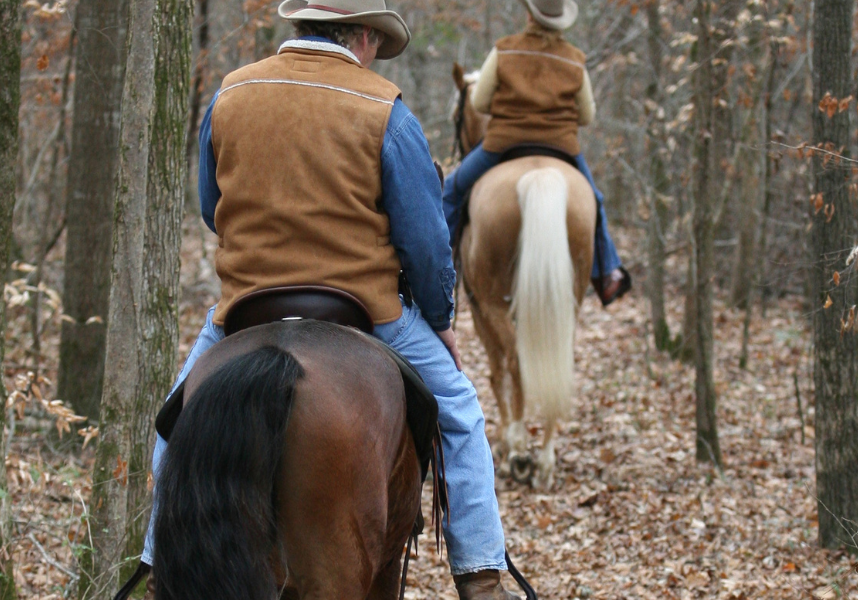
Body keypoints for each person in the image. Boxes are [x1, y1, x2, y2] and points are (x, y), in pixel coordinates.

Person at [138, 1, 521, 597]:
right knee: (461, 412)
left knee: (172, 423)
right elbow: (424, 240)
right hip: (363, 308)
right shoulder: (385, 109)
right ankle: (481, 575)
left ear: (300, 26)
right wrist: (441, 319)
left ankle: (156, 560)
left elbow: (213, 206)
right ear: (365, 36)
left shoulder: (230, 94)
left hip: (246, 305)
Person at [442, 0, 631, 306]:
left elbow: (479, 103)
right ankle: (607, 272)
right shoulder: (575, 60)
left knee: (451, 190)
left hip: (502, 144)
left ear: (529, 14)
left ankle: (439, 269)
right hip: (562, 146)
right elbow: (587, 116)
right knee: (594, 199)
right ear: (560, 21)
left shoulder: (504, 50)